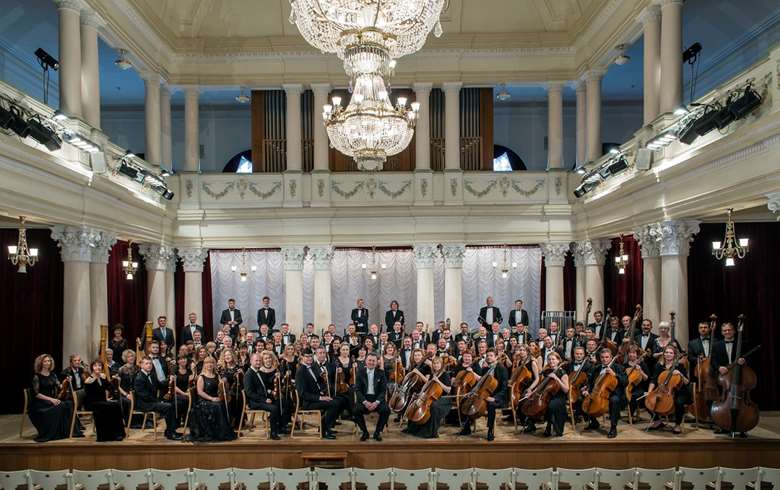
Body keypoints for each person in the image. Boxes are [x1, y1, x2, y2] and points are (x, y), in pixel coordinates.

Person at [29, 354, 82, 442]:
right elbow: (36, 394)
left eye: (49, 361)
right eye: (45, 361)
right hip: (40, 402)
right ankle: (54, 433)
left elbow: (60, 386)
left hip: (51, 400)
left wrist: (67, 381)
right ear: (40, 363)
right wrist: (51, 399)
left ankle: (68, 431)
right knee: (60, 406)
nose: (47, 363)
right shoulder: (36, 376)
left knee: (68, 404)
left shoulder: (52, 374)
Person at [458, 349, 507, 441]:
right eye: (487, 355)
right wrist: (472, 392)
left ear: (496, 357)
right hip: (484, 394)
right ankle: (467, 426)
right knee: (467, 401)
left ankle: (490, 430)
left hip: (497, 396)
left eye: (491, 355)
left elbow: (504, 388)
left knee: (491, 405)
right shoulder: (485, 369)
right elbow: (480, 383)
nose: (489, 357)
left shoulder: (501, 368)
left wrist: (494, 398)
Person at [581, 348, 627, 438]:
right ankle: (594, 422)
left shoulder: (618, 367)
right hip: (599, 393)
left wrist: (615, 375)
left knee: (614, 400)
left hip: (615, 393)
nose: (604, 359)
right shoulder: (596, 368)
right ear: (600, 358)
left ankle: (613, 427)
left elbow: (625, 382)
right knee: (584, 399)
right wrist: (587, 390)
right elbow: (590, 382)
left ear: (611, 357)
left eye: (607, 357)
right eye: (602, 357)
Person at [188, 356, 236, 441]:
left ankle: (223, 431)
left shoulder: (217, 376)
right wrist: (211, 398)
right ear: (204, 365)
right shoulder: (201, 377)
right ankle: (217, 433)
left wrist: (223, 383)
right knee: (217, 406)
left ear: (214, 365)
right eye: (207, 363)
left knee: (225, 404)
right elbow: (200, 392)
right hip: (204, 401)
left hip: (215, 398)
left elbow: (220, 388)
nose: (209, 365)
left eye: (211, 363)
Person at [295, 350, 340, 439]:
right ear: (302, 358)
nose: (309, 358)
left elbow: (317, 383)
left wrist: (323, 390)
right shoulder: (300, 372)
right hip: (308, 403)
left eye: (310, 356)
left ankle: (325, 427)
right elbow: (303, 393)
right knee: (333, 404)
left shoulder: (312, 367)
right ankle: (325, 430)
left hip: (316, 398)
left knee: (338, 401)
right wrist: (320, 398)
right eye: (306, 356)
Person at [133, 357, 181, 440]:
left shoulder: (152, 374)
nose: (149, 365)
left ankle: (170, 430)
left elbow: (160, 385)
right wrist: (160, 401)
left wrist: (169, 380)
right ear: (141, 365)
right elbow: (145, 396)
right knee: (168, 407)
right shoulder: (139, 378)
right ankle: (170, 433)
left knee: (172, 403)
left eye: (150, 363)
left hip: (151, 401)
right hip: (144, 404)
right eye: (146, 363)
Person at [647, 345, 690, 434]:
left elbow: (687, 382)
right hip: (663, 391)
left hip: (679, 391)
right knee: (648, 400)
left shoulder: (680, 366)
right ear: (663, 354)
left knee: (679, 402)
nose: (668, 354)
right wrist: (649, 391)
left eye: (671, 353)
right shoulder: (659, 366)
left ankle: (677, 424)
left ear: (674, 355)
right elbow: (653, 380)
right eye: (666, 352)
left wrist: (680, 374)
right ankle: (658, 421)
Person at [83, 360, 125, 441]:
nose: (98, 367)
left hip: (102, 401)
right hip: (93, 403)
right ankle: (106, 436)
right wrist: (105, 400)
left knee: (116, 405)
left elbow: (110, 387)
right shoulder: (89, 380)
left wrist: (115, 381)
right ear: (92, 368)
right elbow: (90, 396)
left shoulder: (103, 376)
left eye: (99, 366)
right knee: (108, 406)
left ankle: (118, 433)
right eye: (95, 366)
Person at [243, 352, 283, 440]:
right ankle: (273, 432)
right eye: (256, 361)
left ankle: (279, 427)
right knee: (274, 408)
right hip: (254, 402)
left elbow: (263, 387)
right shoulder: (249, 374)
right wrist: (264, 400)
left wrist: (270, 393)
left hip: (262, 398)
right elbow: (250, 393)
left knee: (279, 401)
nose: (258, 362)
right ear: (251, 361)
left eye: (259, 361)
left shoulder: (257, 372)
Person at [353, 353, 391, 441]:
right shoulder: (360, 372)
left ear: (376, 362)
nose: (371, 362)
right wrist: (365, 402)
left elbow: (383, 390)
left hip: (377, 398)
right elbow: (357, 390)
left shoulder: (381, 373)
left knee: (386, 410)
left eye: (373, 361)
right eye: (369, 360)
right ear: (366, 361)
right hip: (364, 398)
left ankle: (377, 432)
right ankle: (365, 432)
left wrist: (377, 402)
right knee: (355, 410)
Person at [541, 352, 569, 437]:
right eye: (549, 359)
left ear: (558, 360)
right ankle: (546, 425)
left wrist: (556, 378)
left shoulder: (563, 373)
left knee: (551, 405)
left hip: (559, 396)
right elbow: (542, 385)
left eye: (553, 359)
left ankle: (551, 425)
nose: (551, 361)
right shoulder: (546, 372)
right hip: (548, 395)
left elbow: (566, 390)